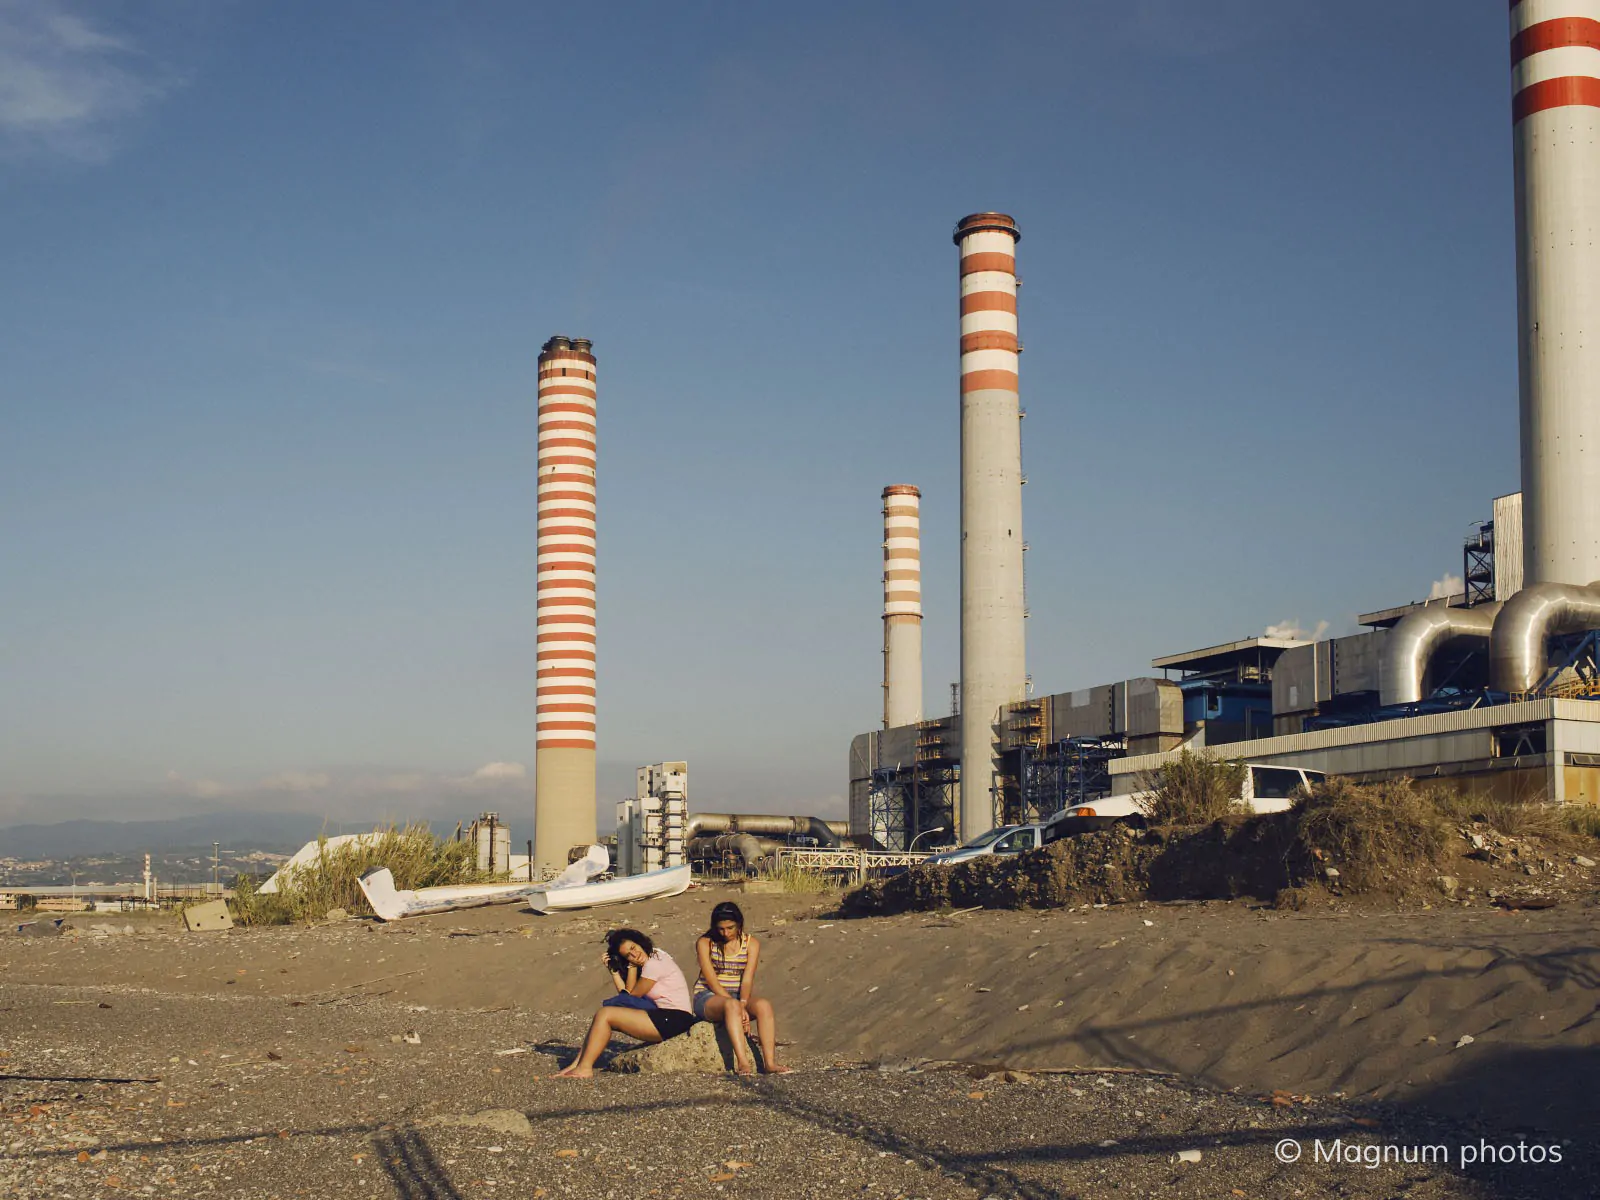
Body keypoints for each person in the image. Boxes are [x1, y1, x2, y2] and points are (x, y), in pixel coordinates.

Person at [556, 929, 695, 1078]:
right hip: (664, 1016)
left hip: (675, 1020)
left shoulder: (654, 963)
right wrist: (616, 972)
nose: (634, 955)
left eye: (633, 948)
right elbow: (628, 996)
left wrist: (631, 968)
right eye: (628, 955)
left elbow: (630, 997)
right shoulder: (654, 956)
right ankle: (579, 1064)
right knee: (605, 1014)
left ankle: (584, 1067)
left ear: (640, 943)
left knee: (606, 1014)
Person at [693, 901, 790, 1074]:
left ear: (739, 924)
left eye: (730, 928)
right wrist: (737, 1006)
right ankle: (743, 1063)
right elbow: (712, 981)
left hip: (737, 995)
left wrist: (743, 1004)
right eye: (721, 929)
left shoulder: (751, 944)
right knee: (731, 1005)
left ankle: (770, 1063)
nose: (726, 933)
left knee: (763, 1005)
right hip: (708, 996)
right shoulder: (705, 943)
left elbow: (747, 979)